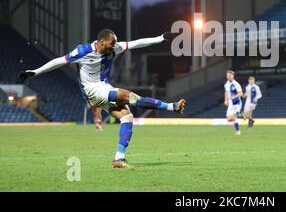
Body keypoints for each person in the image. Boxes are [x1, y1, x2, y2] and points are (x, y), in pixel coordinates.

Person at [19, 29, 185, 168]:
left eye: (115, 44)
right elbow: (59, 61)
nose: (114, 47)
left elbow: (136, 43)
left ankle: (118, 158)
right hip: (92, 91)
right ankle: (172, 107)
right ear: (101, 42)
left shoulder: (114, 48)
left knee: (127, 118)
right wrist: (35, 72)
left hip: (104, 88)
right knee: (128, 96)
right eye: (111, 44)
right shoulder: (83, 51)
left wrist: (160, 38)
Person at [224, 70, 243, 135]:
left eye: (230, 75)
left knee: (234, 117)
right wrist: (226, 100)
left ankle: (238, 131)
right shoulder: (226, 84)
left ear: (233, 76)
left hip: (237, 102)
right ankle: (239, 115)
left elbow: (241, 93)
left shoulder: (236, 84)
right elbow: (226, 92)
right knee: (229, 119)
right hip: (230, 103)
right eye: (227, 75)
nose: (228, 77)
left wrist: (234, 97)